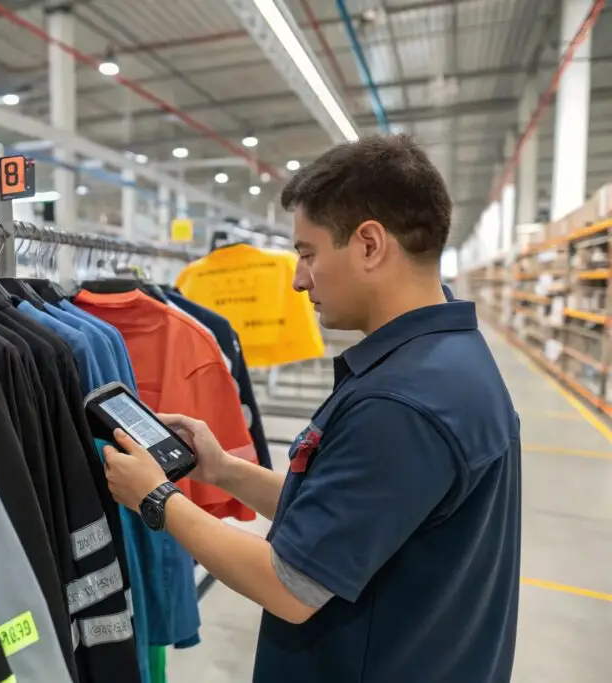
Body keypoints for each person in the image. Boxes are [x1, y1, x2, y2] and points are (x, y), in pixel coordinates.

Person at [103, 134, 521, 683]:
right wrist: (223, 470)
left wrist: (157, 500)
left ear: (370, 244)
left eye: (307, 253)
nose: (299, 279)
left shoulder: (401, 405)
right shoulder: (446, 361)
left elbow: (290, 585)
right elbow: (344, 515)